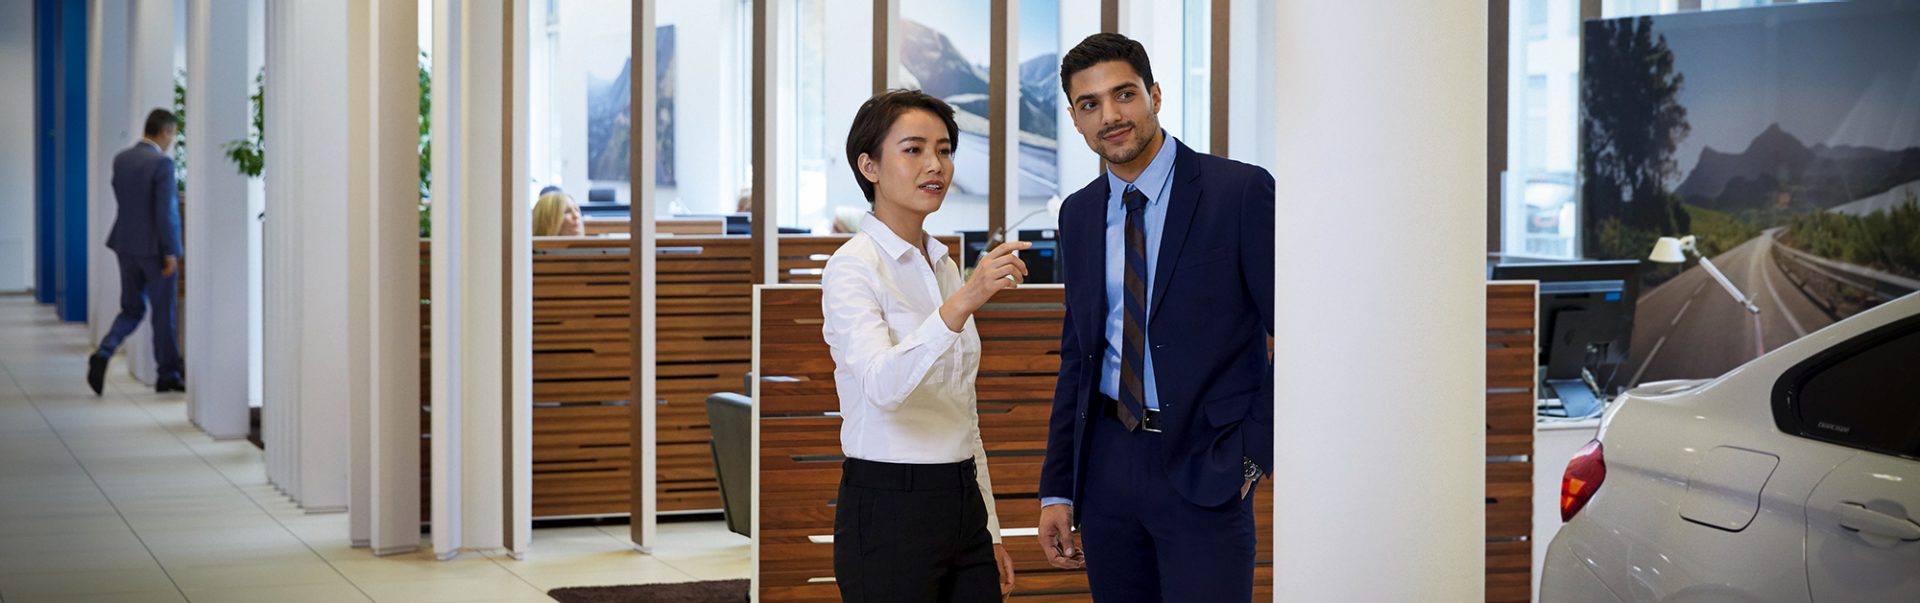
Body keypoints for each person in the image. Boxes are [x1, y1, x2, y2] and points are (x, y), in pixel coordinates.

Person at [1035, 33, 1276, 602]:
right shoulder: (1078, 213)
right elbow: (1078, 356)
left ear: (1156, 94)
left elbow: (1300, 335)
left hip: (1207, 466)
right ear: (1075, 119)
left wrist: (1250, 458)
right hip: (1107, 468)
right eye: (1089, 104)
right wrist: (1057, 489)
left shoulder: (1238, 191)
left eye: (1124, 95)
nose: (1111, 116)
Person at [821, 89, 1029, 602]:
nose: (934, 165)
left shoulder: (944, 264)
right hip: (890, 504)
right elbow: (882, 386)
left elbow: (963, 412)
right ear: (868, 166)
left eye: (944, 149)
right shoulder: (851, 266)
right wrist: (963, 303)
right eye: (913, 149)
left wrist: (992, 530)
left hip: (963, 504)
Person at [87, 109, 187, 396]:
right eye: (173, 135)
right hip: (155, 250)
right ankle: (167, 375)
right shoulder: (162, 164)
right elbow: (165, 213)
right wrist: (171, 252)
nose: (172, 141)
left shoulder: (122, 159)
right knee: (162, 314)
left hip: (125, 244)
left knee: (131, 308)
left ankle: (104, 352)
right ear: (165, 131)